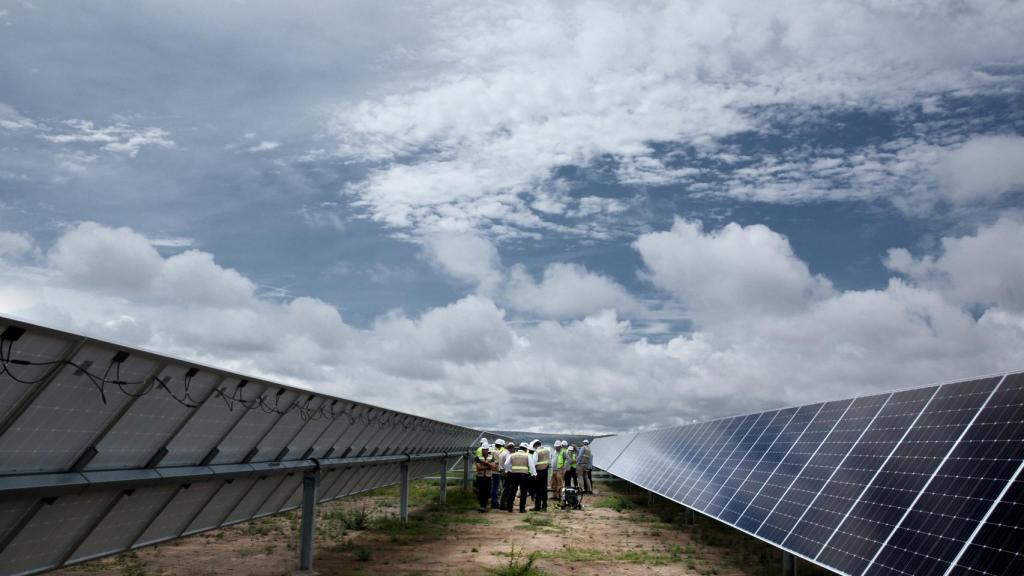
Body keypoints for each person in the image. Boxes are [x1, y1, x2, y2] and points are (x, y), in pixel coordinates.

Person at [505, 442, 536, 513]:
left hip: (514, 475)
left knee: (512, 491)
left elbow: (506, 464)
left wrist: (510, 470)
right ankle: (522, 509)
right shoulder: (527, 455)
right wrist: (534, 474)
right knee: (523, 492)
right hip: (524, 476)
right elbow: (531, 466)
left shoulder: (512, 455)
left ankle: (509, 508)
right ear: (526, 449)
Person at [474, 444, 497, 512]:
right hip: (480, 477)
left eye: (486, 449)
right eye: (483, 449)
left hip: (488, 477)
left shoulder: (491, 457)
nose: (484, 451)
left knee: (487, 491)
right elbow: (478, 468)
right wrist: (488, 467)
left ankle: (485, 505)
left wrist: (485, 463)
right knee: (481, 491)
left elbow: (494, 467)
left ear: (488, 450)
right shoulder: (478, 457)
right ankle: (482, 506)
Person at [532, 439, 551, 511]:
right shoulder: (547, 450)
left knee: (538, 489)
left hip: (538, 472)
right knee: (544, 489)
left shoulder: (536, 452)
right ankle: (544, 506)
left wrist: (534, 474)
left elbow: (533, 463)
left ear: (536, 445)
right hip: (545, 471)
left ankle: (537, 506)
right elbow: (549, 460)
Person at [490, 439, 507, 508]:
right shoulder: (498, 452)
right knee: (495, 487)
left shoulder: (493, 451)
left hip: (493, 470)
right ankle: (494, 502)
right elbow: (500, 462)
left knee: (494, 487)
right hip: (497, 471)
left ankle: (494, 501)